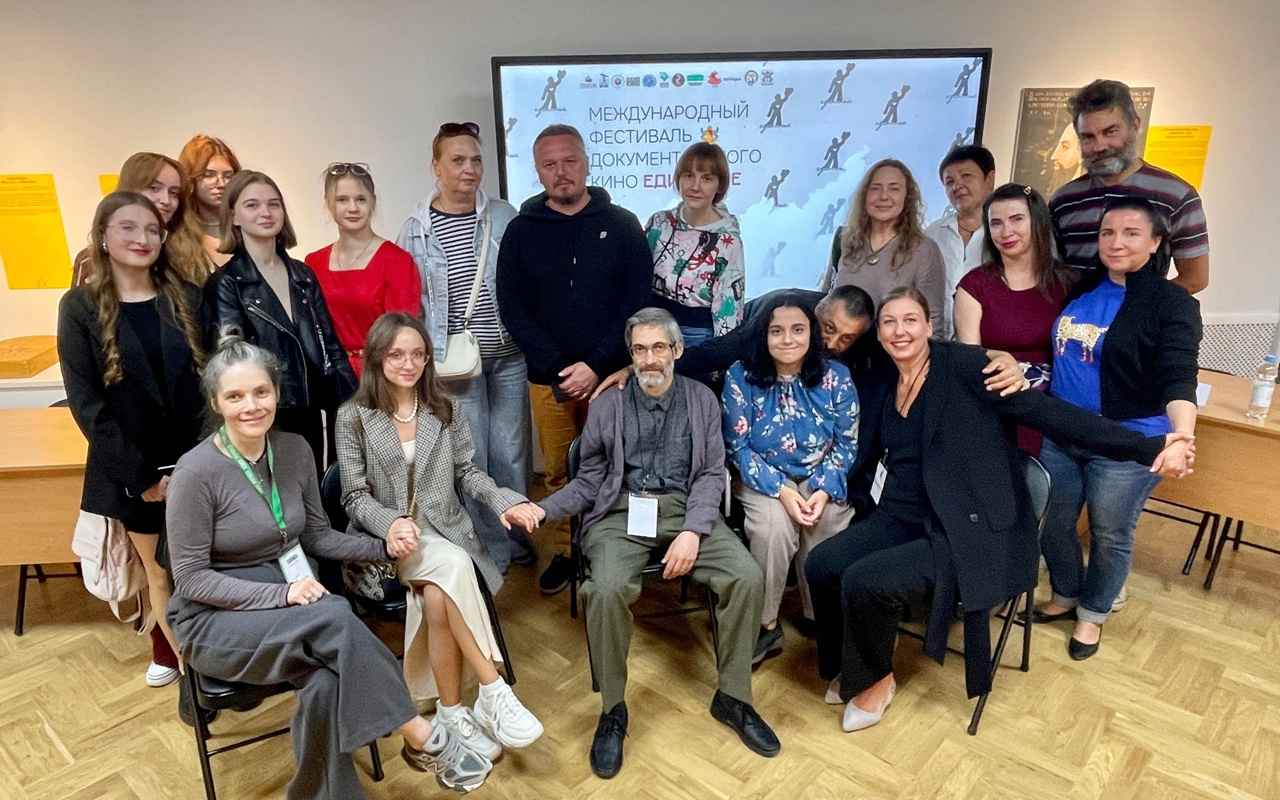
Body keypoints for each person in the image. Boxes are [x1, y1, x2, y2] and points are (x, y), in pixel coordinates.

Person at [804, 287, 1194, 733]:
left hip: (967, 525)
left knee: (866, 579)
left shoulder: (967, 368)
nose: (899, 331)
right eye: (889, 322)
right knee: (823, 563)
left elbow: (1050, 414)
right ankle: (851, 663)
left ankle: (877, 679)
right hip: (902, 513)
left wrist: (1147, 447)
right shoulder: (881, 375)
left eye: (910, 320)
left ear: (930, 326)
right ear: (878, 334)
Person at [166, 339, 494, 796]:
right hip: (217, 622)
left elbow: (317, 537)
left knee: (325, 683)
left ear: (276, 393)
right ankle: (422, 735)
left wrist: (384, 548)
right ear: (216, 403)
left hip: (295, 612)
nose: (251, 406)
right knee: (336, 614)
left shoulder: (294, 449)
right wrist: (282, 594)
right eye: (235, 396)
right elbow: (191, 579)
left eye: (261, 392)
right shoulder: (195, 472)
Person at [535, 308, 779, 778]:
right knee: (604, 590)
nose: (649, 359)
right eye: (640, 349)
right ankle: (613, 710)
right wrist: (543, 510)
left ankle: (734, 697)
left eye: (659, 348)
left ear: (677, 350)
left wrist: (692, 531)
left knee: (746, 576)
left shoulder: (702, 400)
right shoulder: (608, 404)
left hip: (687, 510)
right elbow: (588, 481)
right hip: (620, 512)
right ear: (631, 355)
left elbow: (711, 473)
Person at [597, 284, 1026, 517]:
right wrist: (637, 368)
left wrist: (993, 355)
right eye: (828, 329)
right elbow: (715, 352)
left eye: (846, 338)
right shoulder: (777, 319)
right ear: (816, 311)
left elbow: (927, 349)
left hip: (824, 461)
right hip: (764, 458)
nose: (832, 342)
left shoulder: (859, 348)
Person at [336, 312, 544, 760]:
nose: (408, 364)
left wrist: (503, 501)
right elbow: (353, 495)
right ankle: (492, 688)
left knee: (438, 593)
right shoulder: (353, 416)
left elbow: (468, 472)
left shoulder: (445, 408)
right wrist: (389, 524)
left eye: (418, 354)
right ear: (378, 357)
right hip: (388, 547)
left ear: (428, 359)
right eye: (397, 354)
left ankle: (451, 713)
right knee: (453, 566)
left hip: (446, 532)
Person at [1031, 197, 1201, 658]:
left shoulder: (1171, 303)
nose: (1116, 242)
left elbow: (1179, 376)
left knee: (1109, 534)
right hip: (1063, 433)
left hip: (1127, 443)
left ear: (1156, 242)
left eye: (1131, 233)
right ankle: (1066, 594)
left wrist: (1182, 437)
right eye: (1108, 233)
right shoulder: (1082, 287)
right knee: (1054, 524)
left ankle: (1092, 615)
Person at [58, 191, 207, 694]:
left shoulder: (186, 297)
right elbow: (87, 404)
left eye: (151, 230)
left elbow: (209, 388)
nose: (142, 238)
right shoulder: (79, 306)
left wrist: (201, 465)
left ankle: (219, 661)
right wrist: (143, 479)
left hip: (196, 464)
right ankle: (192, 676)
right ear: (103, 236)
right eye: (128, 228)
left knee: (203, 569)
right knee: (159, 574)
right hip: (134, 472)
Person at [496, 123, 651, 596]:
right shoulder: (521, 231)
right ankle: (567, 549)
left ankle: (611, 549)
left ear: (586, 163)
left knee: (618, 464)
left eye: (570, 161)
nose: (561, 172)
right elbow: (512, 307)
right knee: (560, 473)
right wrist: (560, 367)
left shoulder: (622, 225)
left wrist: (597, 364)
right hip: (549, 380)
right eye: (550, 164)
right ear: (538, 171)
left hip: (612, 377)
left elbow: (636, 301)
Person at [397, 122, 533, 573]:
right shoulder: (415, 229)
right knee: (473, 460)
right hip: (455, 366)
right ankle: (491, 550)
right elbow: (411, 301)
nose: (469, 169)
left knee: (511, 454)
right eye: (457, 160)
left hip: (509, 356)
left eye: (476, 160)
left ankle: (517, 538)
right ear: (436, 167)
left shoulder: (505, 216)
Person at [722, 295, 859, 665]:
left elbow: (847, 442)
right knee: (772, 530)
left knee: (826, 523)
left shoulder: (837, 376)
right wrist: (782, 490)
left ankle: (821, 616)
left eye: (798, 330)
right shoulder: (740, 376)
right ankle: (765, 624)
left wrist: (823, 490)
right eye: (776, 331)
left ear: (811, 333)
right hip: (763, 478)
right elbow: (738, 447)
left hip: (820, 476)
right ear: (763, 335)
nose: (787, 339)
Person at [204, 170, 356, 474]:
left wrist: (353, 402)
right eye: (252, 205)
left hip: (314, 410)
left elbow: (331, 346)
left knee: (318, 492)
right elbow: (230, 361)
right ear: (234, 216)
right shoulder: (226, 283)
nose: (266, 212)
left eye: (274, 204)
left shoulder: (303, 275)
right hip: (264, 415)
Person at [1049, 79, 1209, 293]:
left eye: (1110, 131)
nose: (1099, 146)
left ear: (1134, 125)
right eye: (1088, 137)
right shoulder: (1063, 200)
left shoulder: (1177, 196)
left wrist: (1137, 305)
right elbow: (1052, 273)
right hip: (1075, 312)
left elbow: (1195, 278)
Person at [955, 183, 1073, 453]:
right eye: (996, 223)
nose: (1006, 231)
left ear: (1037, 221)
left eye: (1017, 219)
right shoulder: (974, 285)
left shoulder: (1067, 283)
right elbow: (968, 357)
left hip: (1057, 409)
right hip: (997, 402)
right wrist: (1000, 358)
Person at [305, 162, 420, 377]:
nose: (353, 208)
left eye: (360, 199)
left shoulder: (397, 261)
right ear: (328, 203)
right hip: (333, 378)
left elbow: (403, 335)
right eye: (342, 200)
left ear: (372, 201)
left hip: (381, 376)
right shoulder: (314, 263)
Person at [821, 158, 946, 331]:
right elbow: (824, 301)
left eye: (894, 188)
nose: (883, 196)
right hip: (838, 345)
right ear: (864, 195)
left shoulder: (925, 250)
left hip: (895, 348)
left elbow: (933, 323)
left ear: (907, 197)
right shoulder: (844, 239)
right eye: (875, 188)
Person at [644, 142, 745, 345]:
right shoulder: (659, 222)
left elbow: (728, 310)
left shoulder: (728, 242)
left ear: (720, 185)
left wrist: (719, 354)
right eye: (689, 175)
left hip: (695, 337)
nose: (695, 186)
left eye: (706, 178)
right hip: (651, 329)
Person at [71, 152, 210, 288]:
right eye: (154, 188)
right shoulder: (91, 261)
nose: (166, 200)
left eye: (173, 193)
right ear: (130, 191)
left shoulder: (191, 253)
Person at [924, 145, 996, 338]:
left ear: (989, 179)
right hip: (938, 343)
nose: (957, 186)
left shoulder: (1008, 234)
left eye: (966, 176)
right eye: (950, 182)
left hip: (991, 347)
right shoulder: (932, 234)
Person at [178, 134, 241, 269]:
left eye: (228, 176)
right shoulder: (176, 234)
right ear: (190, 178)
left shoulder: (247, 228)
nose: (221, 183)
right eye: (209, 175)